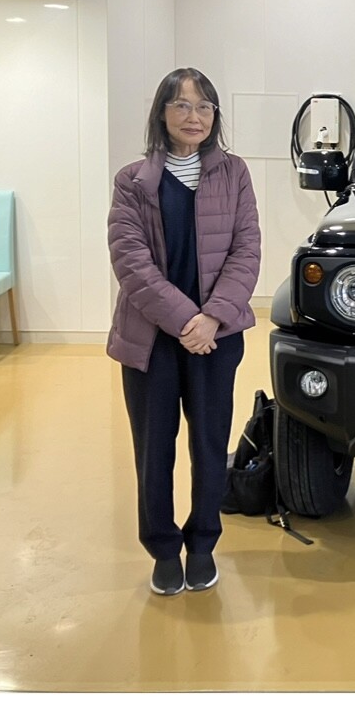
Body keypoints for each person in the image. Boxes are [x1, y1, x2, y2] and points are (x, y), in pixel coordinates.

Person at [107, 68, 261, 595]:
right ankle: (163, 549)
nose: (193, 116)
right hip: (150, 339)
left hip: (216, 338)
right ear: (162, 114)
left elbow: (246, 251)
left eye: (203, 106)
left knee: (210, 444)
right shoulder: (132, 180)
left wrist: (212, 317)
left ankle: (202, 545)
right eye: (181, 105)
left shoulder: (235, 173)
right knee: (154, 450)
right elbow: (130, 260)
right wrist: (184, 320)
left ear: (215, 115)